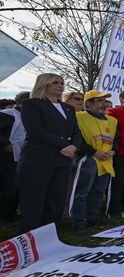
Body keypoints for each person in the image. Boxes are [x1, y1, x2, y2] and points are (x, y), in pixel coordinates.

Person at [18, 73, 81, 232]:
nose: (60, 85)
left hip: (62, 160)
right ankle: (31, 238)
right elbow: (36, 131)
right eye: (55, 82)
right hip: (38, 160)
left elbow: (76, 132)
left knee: (56, 201)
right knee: (34, 202)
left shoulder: (68, 108)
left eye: (62, 82)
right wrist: (64, 145)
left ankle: (51, 236)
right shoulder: (32, 104)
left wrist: (75, 146)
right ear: (44, 84)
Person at [71, 90, 117, 234]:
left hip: (106, 160)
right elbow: (77, 138)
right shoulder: (79, 117)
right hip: (88, 159)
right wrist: (93, 152)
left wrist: (114, 150)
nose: (104, 104)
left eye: (104, 101)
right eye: (99, 101)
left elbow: (117, 139)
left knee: (98, 191)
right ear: (88, 104)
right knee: (82, 191)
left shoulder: (112, 120)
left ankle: (93, 217)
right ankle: (78, 221)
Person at [0, 91, 29, 226]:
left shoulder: (29, 115)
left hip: (24, 154)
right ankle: (4, 217)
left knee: (20, 186)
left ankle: (12, 214)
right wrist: (5, 143)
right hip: (8, 155)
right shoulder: (7, 114)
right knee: (11, 185)